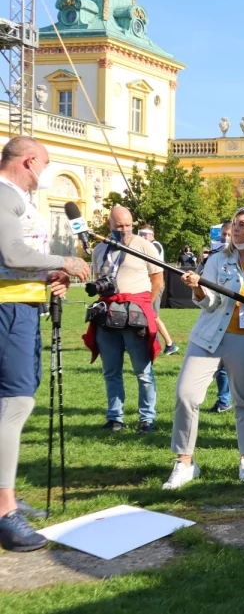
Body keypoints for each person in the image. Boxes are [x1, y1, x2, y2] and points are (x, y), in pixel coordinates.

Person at [0, 136, 90, 552]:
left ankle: (7, 499)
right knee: (15, 403)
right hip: (8, 312)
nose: (46, 173)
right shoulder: (5, 194)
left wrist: (44, 279)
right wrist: (63, 262)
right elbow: (13, 253)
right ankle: (4, 513)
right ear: (30, 161)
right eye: (47, 164)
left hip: (20, 308)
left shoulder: (15, 197)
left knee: (14, 403)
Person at [163, 208, 244, 489]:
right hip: (208, 336)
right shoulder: (218, 259)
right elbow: (208, 302)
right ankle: (185, 463)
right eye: (234, 224)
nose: (235, 228)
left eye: (242, 224)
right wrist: (197, 289)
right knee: (186, 394)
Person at [88, 207, 163, 434]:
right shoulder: (99, 249)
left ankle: (147, 419)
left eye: (128, 225)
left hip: (135, 316)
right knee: (111, 371)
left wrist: (144, 306)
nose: (125, 230)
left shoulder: (144, 246)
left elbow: (158, 280)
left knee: (143, 372)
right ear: (108, 225)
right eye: (119, 226)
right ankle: (115, 418)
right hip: (107, 314)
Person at [206, 221, 234, 414]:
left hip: (240, 321)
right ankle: (224, 400)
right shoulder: (214, 258)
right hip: (217, 317)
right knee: (221, 363)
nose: (225, 239)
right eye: (223, 235)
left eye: (229, 235)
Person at [139, 225, 179, 356]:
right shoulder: (149, 245)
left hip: (154, 283)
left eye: (146, 234)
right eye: (141, 234)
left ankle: (169, 343)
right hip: (149, 283)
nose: (143, 237)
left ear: (152, 235)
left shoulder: (154, 245)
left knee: (152, 314)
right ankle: (153, 341)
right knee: (149, 314)